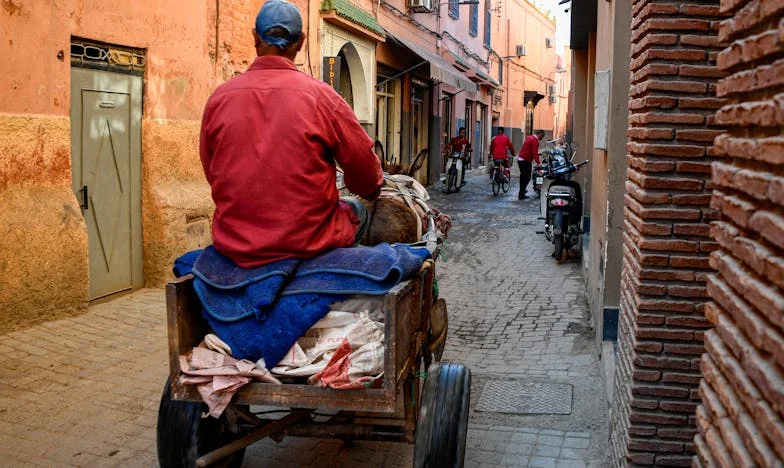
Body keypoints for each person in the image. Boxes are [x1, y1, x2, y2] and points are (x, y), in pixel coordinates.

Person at [199, 0, 384, 268]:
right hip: (309, 243)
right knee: (359, 212)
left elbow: (212, 171)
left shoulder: (218, 99)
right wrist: (369, 188)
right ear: (301, 42)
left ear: (254, 38)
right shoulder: (323, 98)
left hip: (234, 243)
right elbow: (366, 176)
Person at [517, 129, 545, 200]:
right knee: (527, 177)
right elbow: (534, 152)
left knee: (523, 177)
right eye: (542, 136)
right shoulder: (535, 141)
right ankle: (521, 194)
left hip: (521, 159)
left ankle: (522, 191)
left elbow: (529, 149)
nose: (542, 138)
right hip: (525, 160)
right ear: (540, 134)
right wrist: (538, 163)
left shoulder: (529, 137)